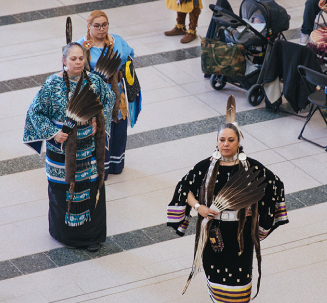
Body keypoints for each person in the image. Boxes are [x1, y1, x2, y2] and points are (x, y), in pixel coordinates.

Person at [166, 97, 289, 302]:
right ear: (216, 141)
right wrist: (199, 207)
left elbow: (275, 185)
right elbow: (184, 188)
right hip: (214, 233)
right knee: (216, 280)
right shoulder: (205, 167)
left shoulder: (251, 167)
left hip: (241, 235)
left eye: (231, 140)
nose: (225, 144)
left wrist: (257, 212)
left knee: (240, 286)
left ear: (239, 141)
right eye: (222, 140)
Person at [23, 42, 115, 252]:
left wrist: (97, 120)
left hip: (89, 152)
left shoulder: (94, 82)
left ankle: (92, 237)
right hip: (61, 152)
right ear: (64, 61)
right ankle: (63, 234)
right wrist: (53, 133)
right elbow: (34, 112)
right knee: (63, 192)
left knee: (92, 189)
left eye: (81, 58)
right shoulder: (52, 85)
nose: (78, 63)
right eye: (73, 59)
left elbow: (108, 101)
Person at [77, 10, 136, 178]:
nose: (101, 29)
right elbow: (71, 66)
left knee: (118, 129)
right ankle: (100, 168)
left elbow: (130, 57)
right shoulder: (80, 46)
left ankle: (116, 165)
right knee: (99, 130)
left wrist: (122, 72)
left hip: (117, 93)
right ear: (89, 27)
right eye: (97, 26)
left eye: (104, 25)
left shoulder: (117, 41)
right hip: (94, 96)